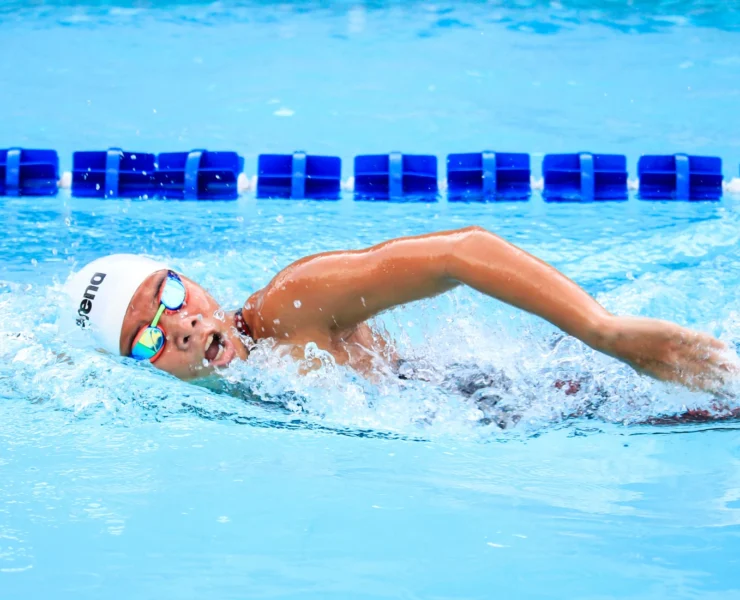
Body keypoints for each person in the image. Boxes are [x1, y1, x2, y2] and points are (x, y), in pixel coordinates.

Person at [64, 226, 738, 396]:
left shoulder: (290, 305)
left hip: (538, 394)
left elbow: (461, 252)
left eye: (172, 296)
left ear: (197, 286)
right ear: (135, 367)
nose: (178, 325)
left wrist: (606, 333)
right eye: (146, 335)